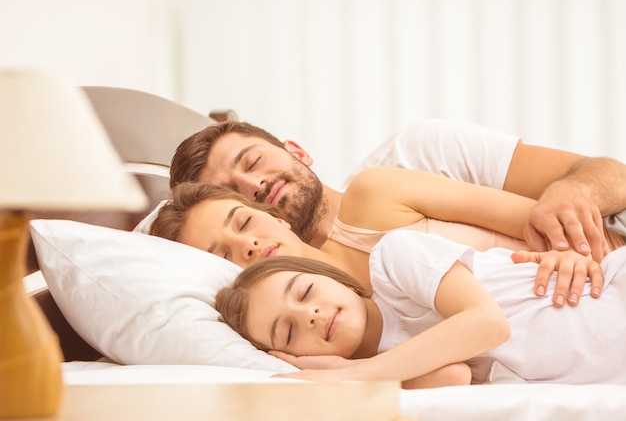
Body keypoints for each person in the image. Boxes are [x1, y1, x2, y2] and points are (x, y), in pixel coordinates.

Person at [215, 229, 626, 388]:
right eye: (288, 333)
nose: (311, 315)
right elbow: (454, 375)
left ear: (332, 277)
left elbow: (486, 325)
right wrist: (359, 377)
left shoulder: (394, 259)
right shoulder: (389, 368)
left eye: (305, 293)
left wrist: (353, 373)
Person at [168, 119, 626, 262]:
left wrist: (573, 194)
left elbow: (613, 175)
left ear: (298, 150)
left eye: (251, 162)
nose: (253, 185)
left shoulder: (415, 155)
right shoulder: (308, 301)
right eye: (231, 194)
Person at [150, 180, 611, 307]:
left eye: (243, 222)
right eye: (222, 254)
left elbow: (548, 218)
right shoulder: (322, 326)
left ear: (273, 217)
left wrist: (575, 253)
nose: (245, 245)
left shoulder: (379, 209)